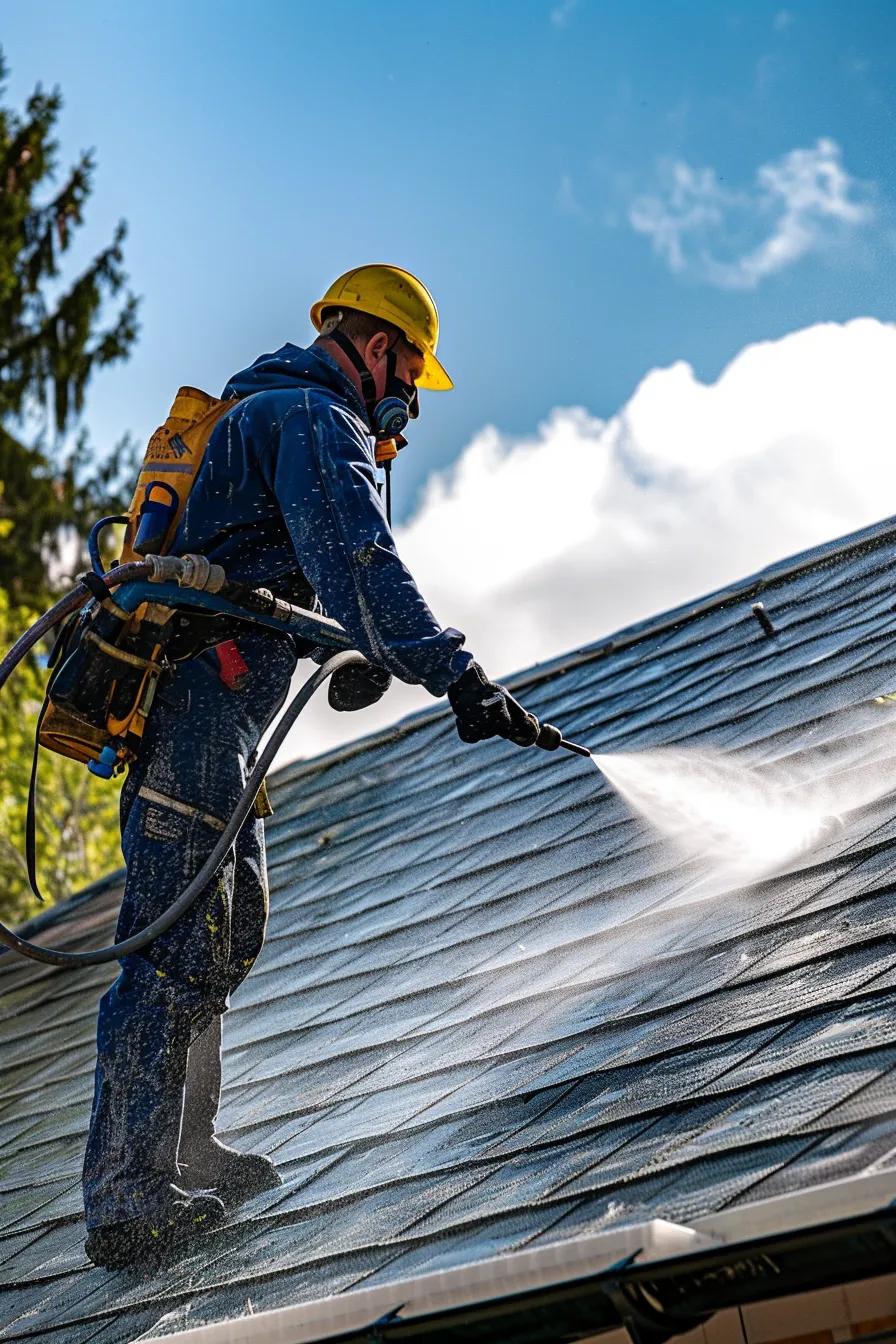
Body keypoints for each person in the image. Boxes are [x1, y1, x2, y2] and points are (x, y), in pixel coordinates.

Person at [83, 264, 546, 1269]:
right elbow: (361, 565)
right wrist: (455, 674)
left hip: (218, 730)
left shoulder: (268, 414)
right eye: (412, 372)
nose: (410, 400)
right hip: (196, 722)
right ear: (377, 347)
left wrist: (348, 648)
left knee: (227, 932)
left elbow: (280, 578)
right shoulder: (312, 416)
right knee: (172, 947)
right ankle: (126, 1197)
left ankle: (185, 1146)